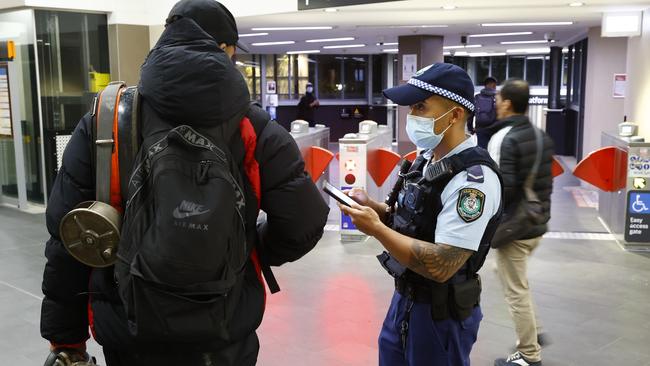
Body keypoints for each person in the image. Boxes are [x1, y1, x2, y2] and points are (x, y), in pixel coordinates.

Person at [39, 1, 329, 365]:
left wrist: (65, 337)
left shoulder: (107, 121)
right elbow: (304, 222)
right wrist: (245, 248)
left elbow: (69, 237)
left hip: (130, 330)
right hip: (223, 331)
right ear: (226, 50)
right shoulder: (254, 127)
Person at [340, 63, 503, 366]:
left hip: (440, 314)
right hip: (405, 300)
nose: (412, 116)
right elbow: (411, 223)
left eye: (420, 107)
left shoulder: (473, 182)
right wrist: (372, 209)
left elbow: (443, 263)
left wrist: (376, 229)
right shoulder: (424, 161)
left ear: (455, 114)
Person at [487, 79, 554, 366]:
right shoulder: (541, 136)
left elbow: (503, 188)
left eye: (498, 99)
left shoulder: (505, 139)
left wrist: (489, 225)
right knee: (507, 275)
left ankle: (529, 354)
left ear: (507, 104)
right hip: (536, 221)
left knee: (515, 290)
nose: (495, 103)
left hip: (516, 227)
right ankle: (535, 331)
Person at [470, 76, 498, 148]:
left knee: (482, 151)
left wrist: (470, 128)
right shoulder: (498, 97)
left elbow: (471, 114)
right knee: (494, 150)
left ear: (485, 85)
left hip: (480, 129)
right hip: (494, 128)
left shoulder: (477, 97)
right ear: (494, 85)